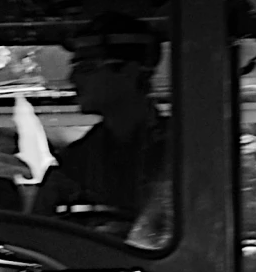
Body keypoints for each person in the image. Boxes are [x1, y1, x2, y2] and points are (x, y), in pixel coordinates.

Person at [37, 18, 173, 249]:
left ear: (129, 72)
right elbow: (37, 238)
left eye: (86, 68)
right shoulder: (75, 161)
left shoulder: (184, 152)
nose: (73, 80)